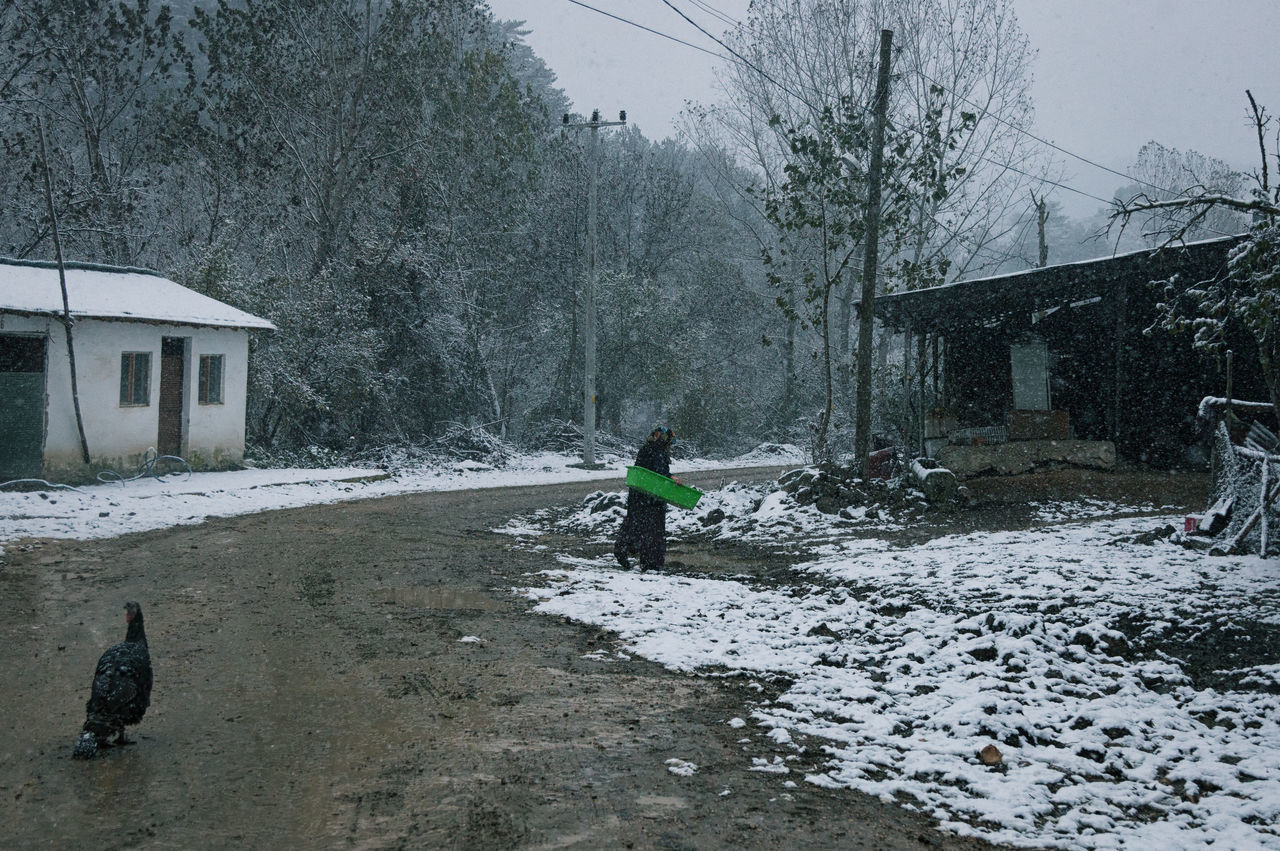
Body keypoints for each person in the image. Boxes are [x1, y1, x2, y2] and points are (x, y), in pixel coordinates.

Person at [614, 427, 676, 570]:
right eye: (670, 443)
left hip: (637, 495)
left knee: (634, 523)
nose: (670, 447)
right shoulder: (658, 452)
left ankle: (622, 548)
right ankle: (651, 563)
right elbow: (659, 474)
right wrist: (671, 478)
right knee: (653, 531)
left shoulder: (646, 449)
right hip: (651, 498)